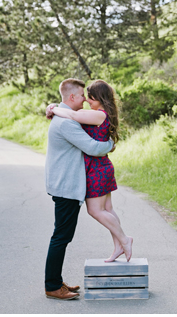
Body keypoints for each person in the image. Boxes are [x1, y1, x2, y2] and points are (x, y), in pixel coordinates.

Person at [42, 78, 116, 301]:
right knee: (61, 236)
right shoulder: (66, 122)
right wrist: (111, 145)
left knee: (62, 235)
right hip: (66, 187)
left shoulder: (62, 115)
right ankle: (53, 286)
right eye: (82, 95)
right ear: (72, 97)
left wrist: (52, 107)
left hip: (66, 185)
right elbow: (93, 148)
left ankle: (55, 281)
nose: (85, 99)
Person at [48, 79, 133, 263]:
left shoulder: (98, 115)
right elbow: (73, 114)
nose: (86, 100)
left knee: (95, 211)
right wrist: (52, 106)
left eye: (90, 97)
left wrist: (53, 109)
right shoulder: (98, 113)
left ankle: (125, 240)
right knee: (107, 209)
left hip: (96, 169)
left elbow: (72, 116)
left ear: (99, 98)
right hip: (100, 167)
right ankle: (118, 245)